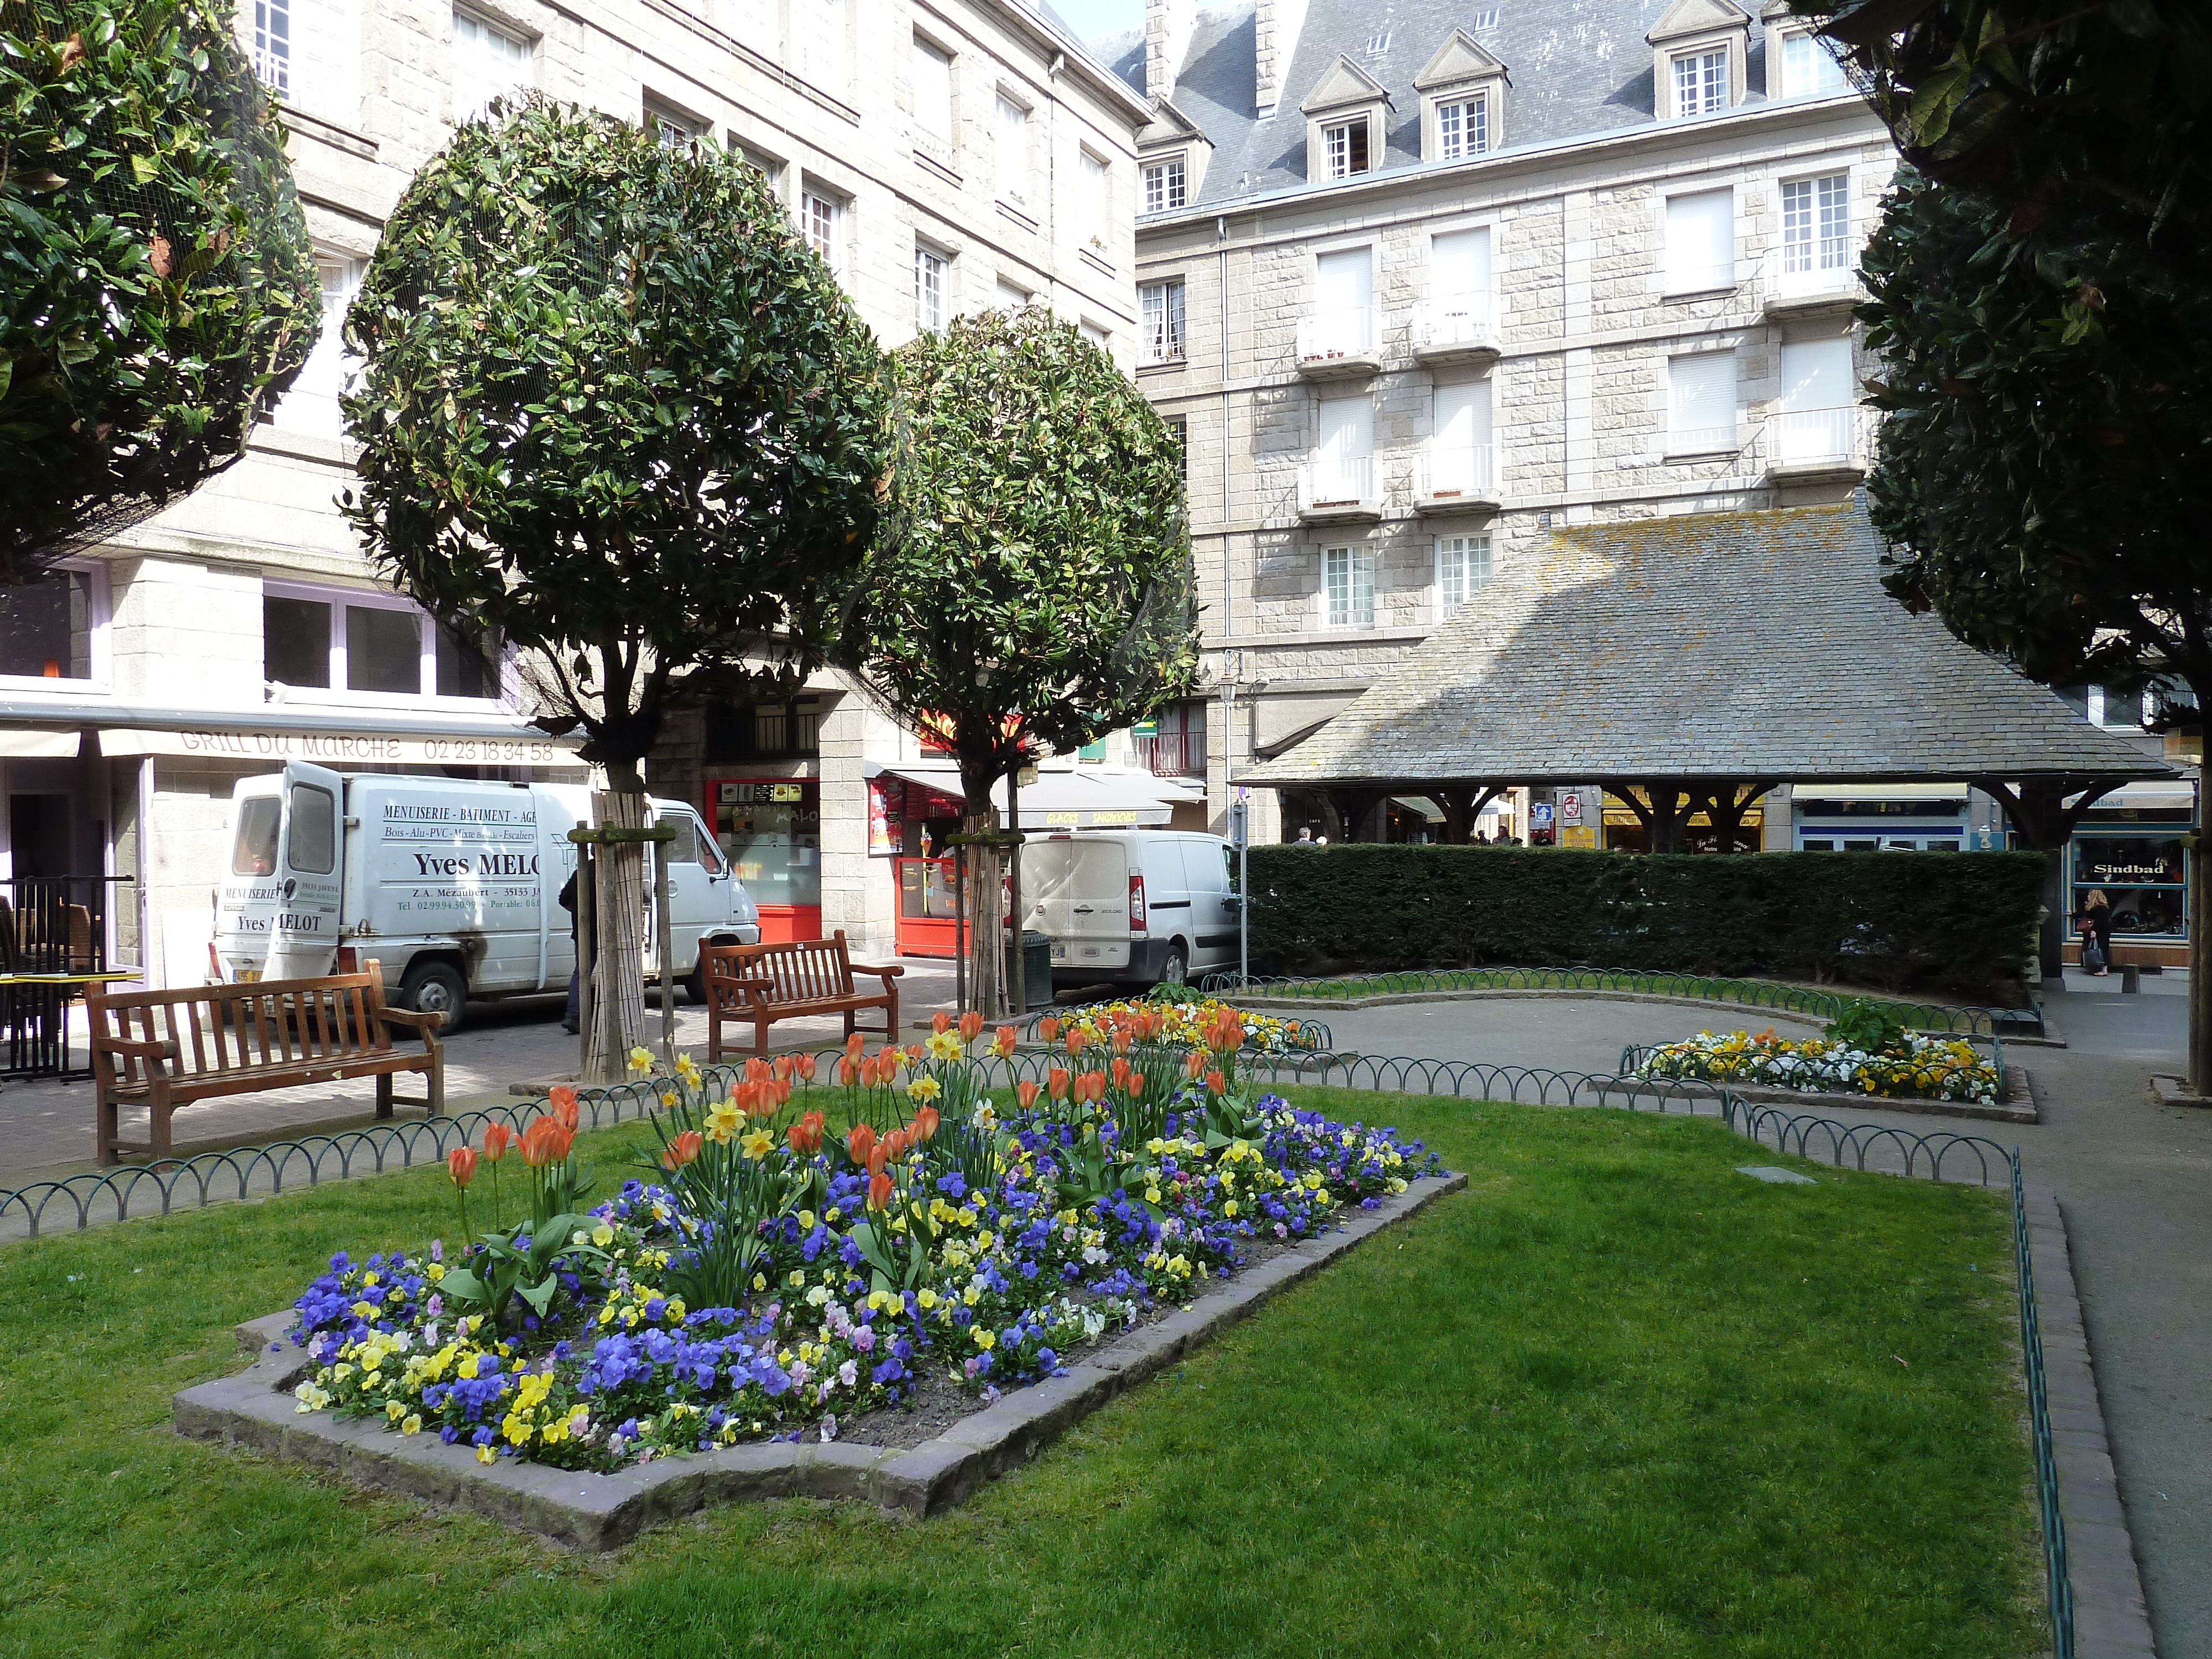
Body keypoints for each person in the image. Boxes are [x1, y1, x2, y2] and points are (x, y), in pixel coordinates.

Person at [559, 865, 583, 1032]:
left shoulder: (579, 874)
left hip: (582, 933)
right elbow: (645, 897)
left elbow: (563, 900)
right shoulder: (617, 871)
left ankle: (573, 1016)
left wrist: (578, 910)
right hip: (608, 934)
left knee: (581, 974)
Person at [2077, 888, 2114, 977]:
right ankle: (2097, 967)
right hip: (2101, 931)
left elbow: (2100, 921)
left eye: (2090, 895)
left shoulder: (2100, 908)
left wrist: (2094, 930)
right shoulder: (2098, 908)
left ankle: (2103, 969)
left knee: (2101, 949)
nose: (2088, 896)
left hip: (2101, 932)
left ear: (2094, 896)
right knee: (2098, 948)